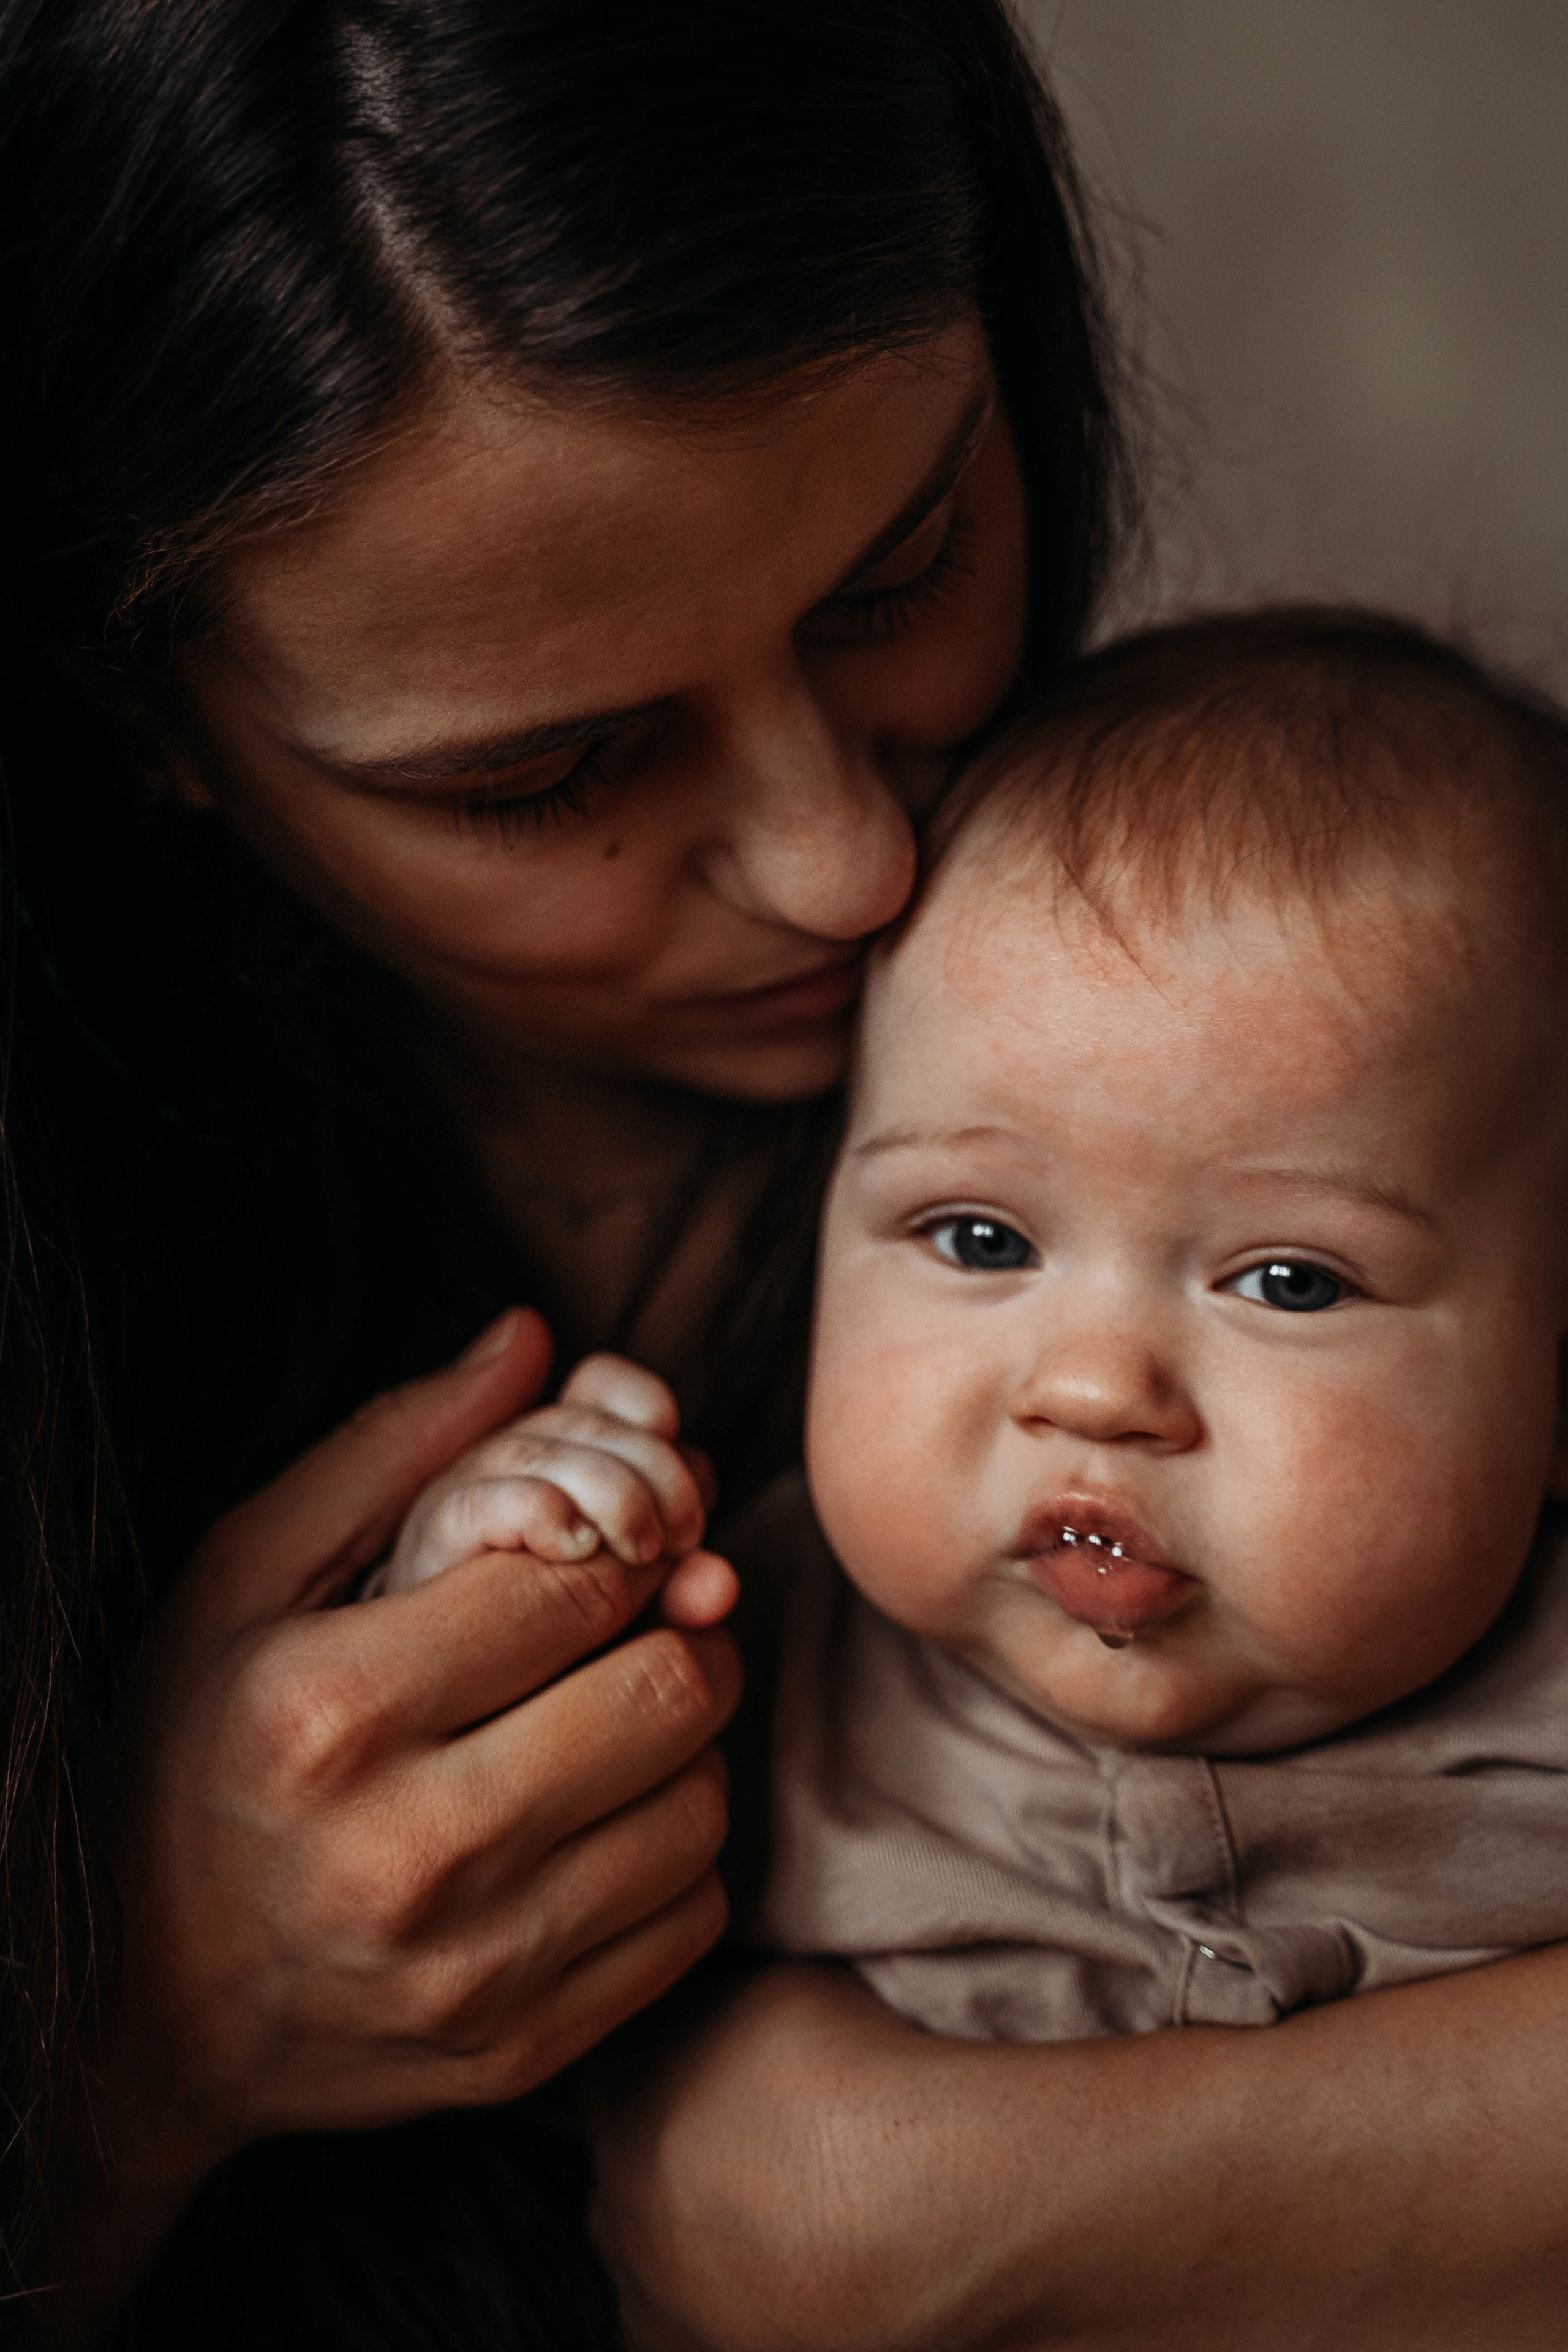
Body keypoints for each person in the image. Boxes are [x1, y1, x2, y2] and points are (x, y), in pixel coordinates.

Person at [1, 6, 1562, 2350]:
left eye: (899, 569)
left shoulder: (1398, 981)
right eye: (547, 773)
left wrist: (928, 2217)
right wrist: (142, 2044)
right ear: (148, 721)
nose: (848, 865)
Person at [757, 608, 1568, 2039]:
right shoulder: (740, 1645)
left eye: (1288, 1282)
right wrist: (510, 1533)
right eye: (980, 1239)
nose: (1091, 1390)